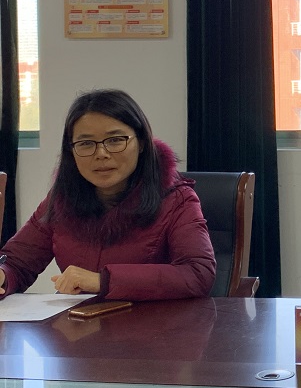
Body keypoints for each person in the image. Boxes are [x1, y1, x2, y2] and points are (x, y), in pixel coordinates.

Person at [0, 89, 216, 300]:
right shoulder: (61, 200)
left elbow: (198, 273)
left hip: (154, 322)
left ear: (141, 142)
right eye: (86, 143)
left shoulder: (177, 199)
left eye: (115, 140)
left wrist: (103, 281)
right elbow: (16, 263)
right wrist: (3, 275)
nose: (101, 154)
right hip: (78, 322)